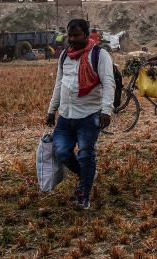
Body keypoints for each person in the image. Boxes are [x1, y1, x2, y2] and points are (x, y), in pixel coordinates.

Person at [45, 19, 115, 210]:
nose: (72, 39)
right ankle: (87, 175)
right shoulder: (64, 56)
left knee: (85, 154)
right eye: (70, 35)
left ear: (86, 35)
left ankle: (83, 194)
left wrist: (106, 111)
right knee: (61, 152)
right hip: (66, 115)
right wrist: (52, 110)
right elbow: (59, 83)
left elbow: (109, 84)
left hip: (89, 114)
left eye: (76, 35)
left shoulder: (100, 55)